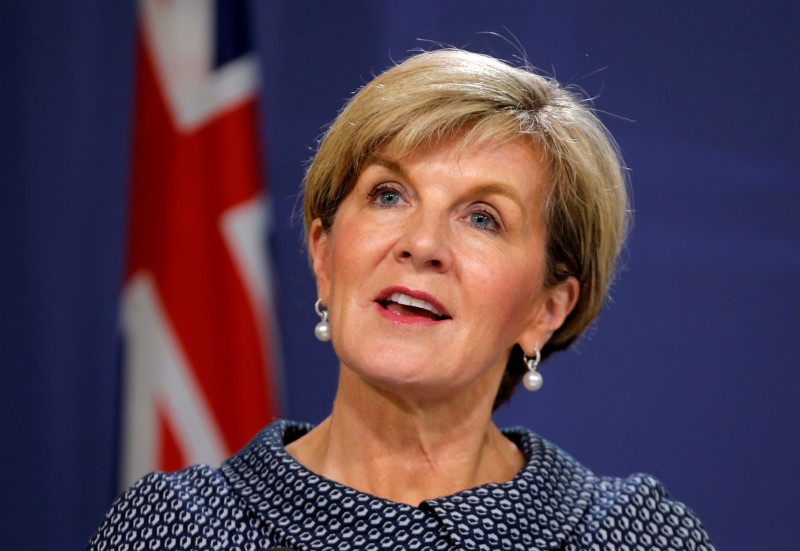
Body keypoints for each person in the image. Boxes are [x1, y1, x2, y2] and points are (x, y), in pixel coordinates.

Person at [89, 49, 714, 550]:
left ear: (546, 310)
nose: (422, 243)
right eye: (389, 194)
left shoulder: (630, 538)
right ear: (324, 256)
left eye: (483, 218)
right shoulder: (176, 530)